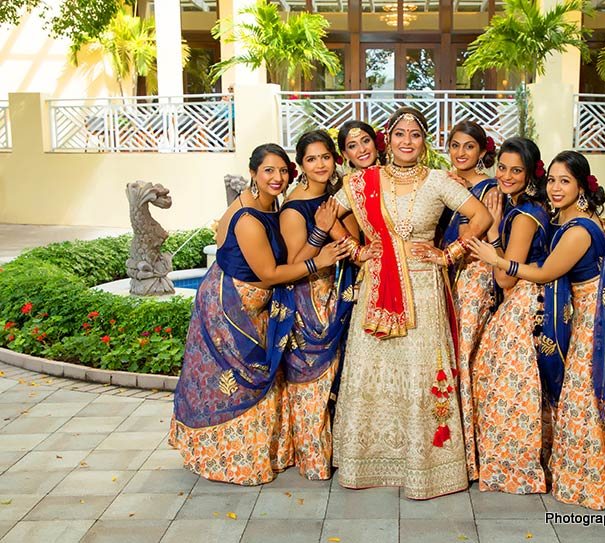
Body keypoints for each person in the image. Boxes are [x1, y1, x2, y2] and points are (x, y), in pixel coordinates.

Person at [468, 150, 605, 510]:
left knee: (585, 395)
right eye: (551, 179)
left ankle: (594, 479)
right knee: (593, 396)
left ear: (581, 187)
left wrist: (498, 259)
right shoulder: (567, 219)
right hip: (589, 310)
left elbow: (545, 273)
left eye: (565, 181)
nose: (555, 187)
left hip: (597, 318)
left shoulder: (579, 229)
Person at [331, 106, 493, 499]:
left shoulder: (439, 181)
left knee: (422, 369)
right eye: (400, 133)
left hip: (423, 286)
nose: (407, 141)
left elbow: (481, 215)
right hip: (376, 287)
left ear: (424, 142)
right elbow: (327, 216)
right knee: (376, 367)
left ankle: (427, 465)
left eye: (415, 134)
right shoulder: (362, 182)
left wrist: (450, 253)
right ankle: (367, 459)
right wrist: (354, 249)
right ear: (388, 139)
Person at [170, 143, 348, 485]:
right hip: (230, 306)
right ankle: (228, 460)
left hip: (259, 305)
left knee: (263, 379)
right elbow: (269, 273)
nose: (277, 177)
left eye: (282, 171)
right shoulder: (249, 217)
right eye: (268, 170)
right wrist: (319, 261)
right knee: (236, 384)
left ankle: (267, 452)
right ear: (253, 173)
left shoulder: (271, 205)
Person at [469, 137, 571, 493]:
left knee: (508, 388)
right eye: (502, 168)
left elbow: (505, 277)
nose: (507, 176)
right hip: (532, 301)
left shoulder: (526, 215)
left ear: (530, 174)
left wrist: (495, 231)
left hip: (523, 303)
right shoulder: (527, 206)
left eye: (516, 170)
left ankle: (515, 468)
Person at [279, 131, 375, 480]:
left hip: (341, 293)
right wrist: (320, 235)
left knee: (337, 378)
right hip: (308, 298)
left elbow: (355, 241)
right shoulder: (294, 207)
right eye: (311, 159)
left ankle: (338, 451)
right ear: (301, 165)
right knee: (311, 380)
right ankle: (313, 458)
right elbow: (294, 262)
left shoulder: (336, 198)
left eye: (325, 157)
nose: (320, 164)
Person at [437, 120, 498, 480]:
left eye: (469, 147)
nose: (461, 153)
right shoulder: (445, 181)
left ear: (481, 152)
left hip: (473, 277)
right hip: (445, 276)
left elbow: (480, 235)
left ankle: (468, 452)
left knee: (464, 356)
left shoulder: (489, 189)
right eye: (456, 146)